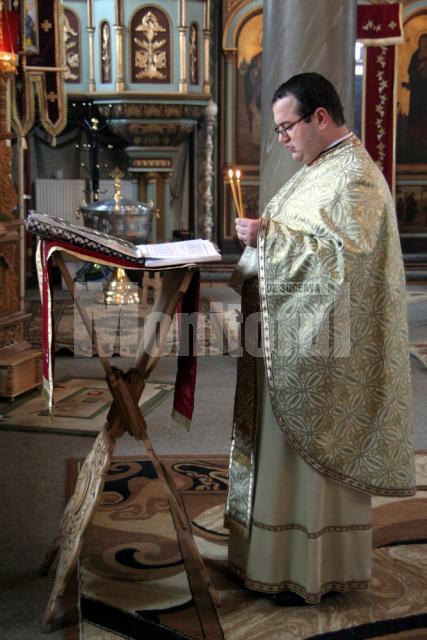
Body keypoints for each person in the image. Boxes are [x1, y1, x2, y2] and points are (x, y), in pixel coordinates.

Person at [225, 73, 416, 605]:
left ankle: (304, 570)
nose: (282, 138)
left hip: (325, 354)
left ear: (321, 118)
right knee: (279, 458)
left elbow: (344, 264)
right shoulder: (316, 169)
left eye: (288, 127)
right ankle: (267, 559)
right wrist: (266, 240)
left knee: (306, 469)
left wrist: (270, 237)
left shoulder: (353, 176)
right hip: (293, 341)